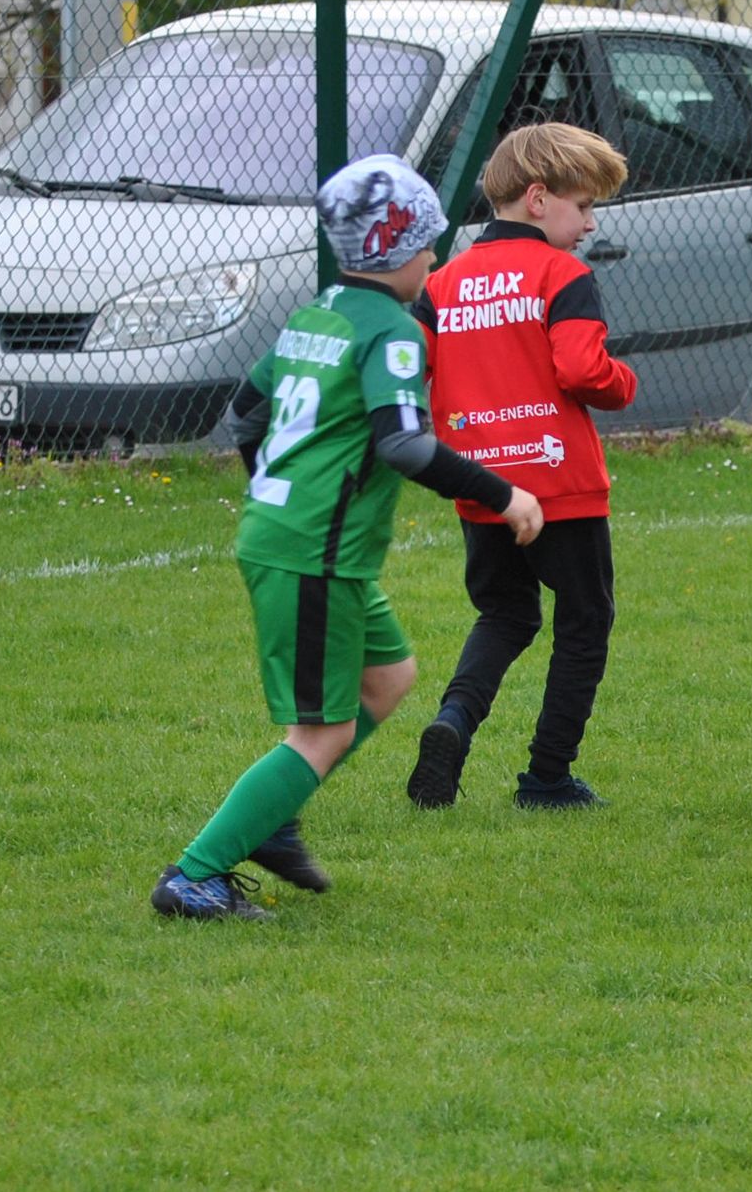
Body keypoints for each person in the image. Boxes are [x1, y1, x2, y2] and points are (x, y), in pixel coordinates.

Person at [151, 155, 542, 920]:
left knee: (390, 677)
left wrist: (277, 486)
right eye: (428, 243)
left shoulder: (317, 312)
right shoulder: (393, 332)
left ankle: (273, 819)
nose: (434, 257)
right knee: (320, 729)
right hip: (312, 554)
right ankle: (194, 874)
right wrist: (504, 494)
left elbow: (247, 410)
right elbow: (402, 443)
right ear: (397, 248)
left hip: (301, 541)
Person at [405, 123, 634, 811]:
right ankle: (547, 777)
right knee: (585, 618)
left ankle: (453, 722)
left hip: (481, 487)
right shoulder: (563, 275)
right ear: (538, 198)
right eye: (584, 206)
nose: (591, 224)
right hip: (560, 485)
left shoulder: (442, 283)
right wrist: (622, 380)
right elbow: (580, 367)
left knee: (505, 612)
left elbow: (411, 363)